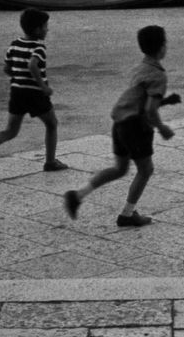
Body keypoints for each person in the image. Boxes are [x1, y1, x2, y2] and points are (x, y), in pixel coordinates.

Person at [64, 24, 176, 227]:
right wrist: (162, 127)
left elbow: (138, 98)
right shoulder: (159, 74)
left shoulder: (139, 68)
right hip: (135, 126)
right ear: (162, 48)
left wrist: (166, 101)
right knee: (146, 169)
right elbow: (150, 109)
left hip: (119, 122)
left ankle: (78, 195)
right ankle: (127, 214)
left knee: (120, 168)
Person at [0, 7, 68, 173]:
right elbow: (32, 65)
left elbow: (7, 68)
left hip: (17, 92)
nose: (47, 30)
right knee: (52, 124)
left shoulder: (14, 44)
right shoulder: (39, 48)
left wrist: (17, 75)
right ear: (37, 29)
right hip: (35, 93)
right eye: (45, 27)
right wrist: (43, 86)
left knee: (10, 131)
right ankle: (50, 162)